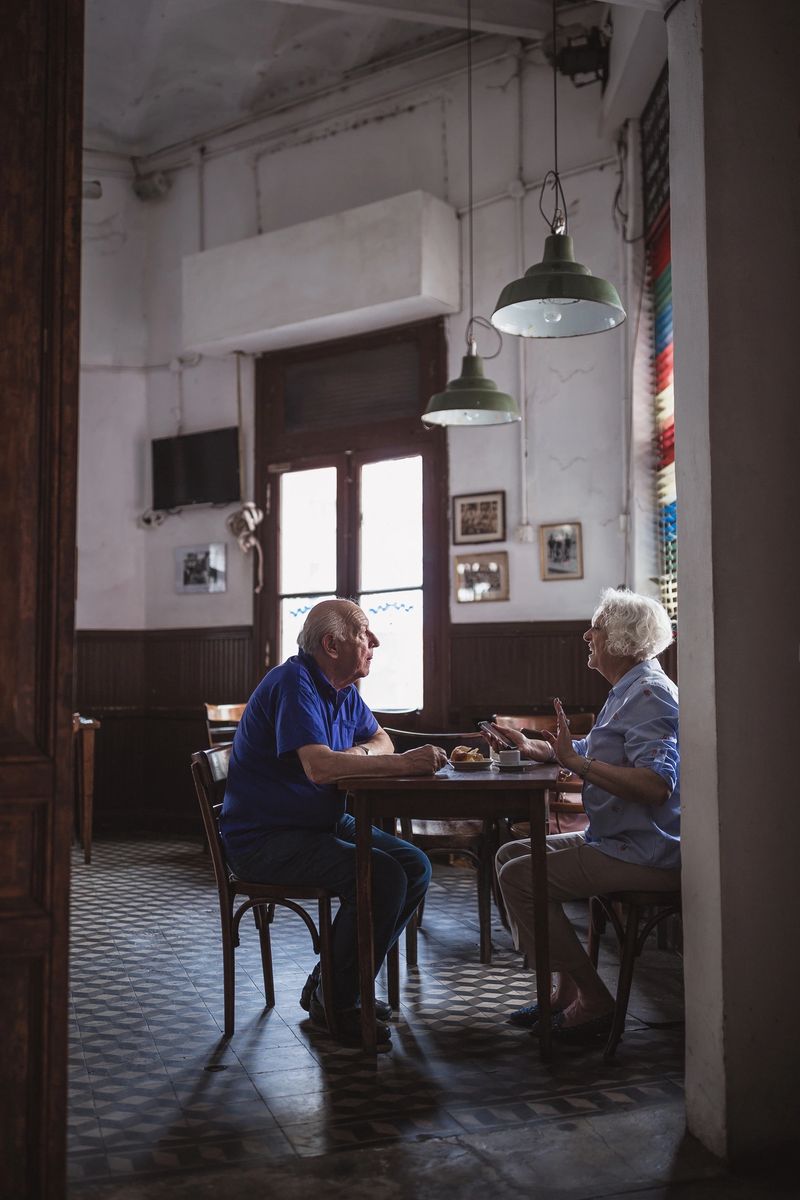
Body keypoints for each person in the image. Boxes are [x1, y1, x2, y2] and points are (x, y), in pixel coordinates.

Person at [219, 599, 448, 1050]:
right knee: (382, 877)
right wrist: (401, 765)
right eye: (365, 633)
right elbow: (321, 769)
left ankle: (332, 985)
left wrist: (360, 757)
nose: (375, 641)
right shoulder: (295, 682)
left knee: (415, 866)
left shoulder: (343, 688)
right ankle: (340, 1002)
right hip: (266, 838)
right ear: (331, 643)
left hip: (316, 823)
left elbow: (380, 737)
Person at [487, 587, 680, 1045]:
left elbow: (656, 785)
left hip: (650, 851)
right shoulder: (628, 689)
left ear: (621, 639)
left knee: (520, 875)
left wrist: (578, 764)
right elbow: (593, 754)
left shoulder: (650, 694)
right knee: (510, 854)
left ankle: (593, 999)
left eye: (596, 626)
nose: (587, 634)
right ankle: (564, 989)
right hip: (620, 840)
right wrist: (538, 749)